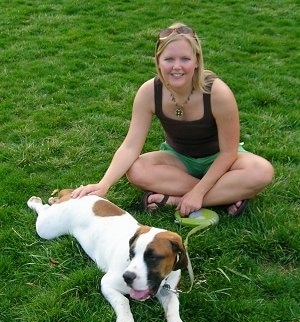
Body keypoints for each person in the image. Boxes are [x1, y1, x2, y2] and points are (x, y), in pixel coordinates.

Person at [72, 23, 274, 216]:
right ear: (158, 61)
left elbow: (229, 153)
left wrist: (199, 193)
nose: (177, 67)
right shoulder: (149, 92)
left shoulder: (217, 92)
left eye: (185, 59)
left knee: (261, 171)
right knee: (135, 170)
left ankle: (175, 200)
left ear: (196, 61)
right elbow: (130, 147)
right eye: (169, 59)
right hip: (179, 159)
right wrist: (104, 184)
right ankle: (226, 194)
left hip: (220, 158)